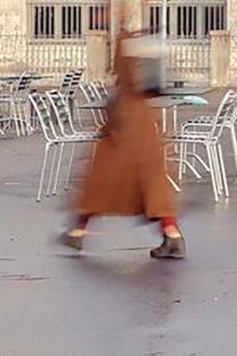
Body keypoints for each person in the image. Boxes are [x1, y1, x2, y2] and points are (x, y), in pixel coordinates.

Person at [58, 31, 186, 259]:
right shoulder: (140, 61)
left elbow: (121, 73)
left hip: (125, 129)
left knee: (101, 181)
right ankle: (172, 234)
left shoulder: (127, 55)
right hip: (143, 126)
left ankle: (77, 231)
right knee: (150, 186)